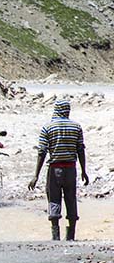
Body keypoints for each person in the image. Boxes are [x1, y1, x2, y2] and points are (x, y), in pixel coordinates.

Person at [27, 99, 89, 241]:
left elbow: (42, 152)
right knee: (71, 198)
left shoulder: (48, 127)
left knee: (54, 199)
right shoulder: (76, 127)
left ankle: (55, 237)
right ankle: (71, 236)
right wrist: (84, 171)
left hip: (55, 169)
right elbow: (80, 150)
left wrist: (35, 175)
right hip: (71, 169)